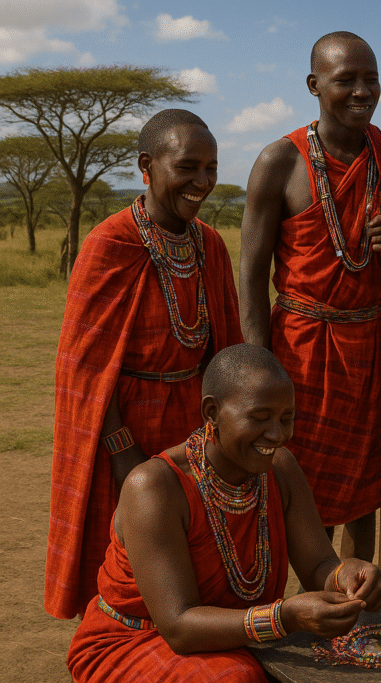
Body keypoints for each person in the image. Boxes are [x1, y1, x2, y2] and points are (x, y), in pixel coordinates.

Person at [67, 343, 381, 682]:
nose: (277, 434)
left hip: (235, 635)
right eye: (260, 418)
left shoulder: (280, 469)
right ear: (212, 412)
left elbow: (317, 566)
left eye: (287, 419)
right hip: (137, 640)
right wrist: (284, 618)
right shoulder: (154, 487)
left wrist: (346, 574)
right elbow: (178, 626)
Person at [240, 31, 381, 561]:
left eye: (370, 80)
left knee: (364, 489)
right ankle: (316, 597)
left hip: (372, 349)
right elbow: (251, 274)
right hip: (300, 351)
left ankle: (360, 598)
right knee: (299, 483)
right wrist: (260, 365)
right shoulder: (279, 162)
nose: (361, 92)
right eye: (345, 80)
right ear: (313, 85)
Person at [46, 109, 244, 620]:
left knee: (194, 549)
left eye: (211, 168)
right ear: (146, 166)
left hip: (195, 423)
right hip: (124, 422)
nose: (202, 182)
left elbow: (223, 347)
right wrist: (119, 450)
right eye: (187, 167)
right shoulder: (110, 243)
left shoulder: (211, 245)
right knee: (122, 564)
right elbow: (86, 370)